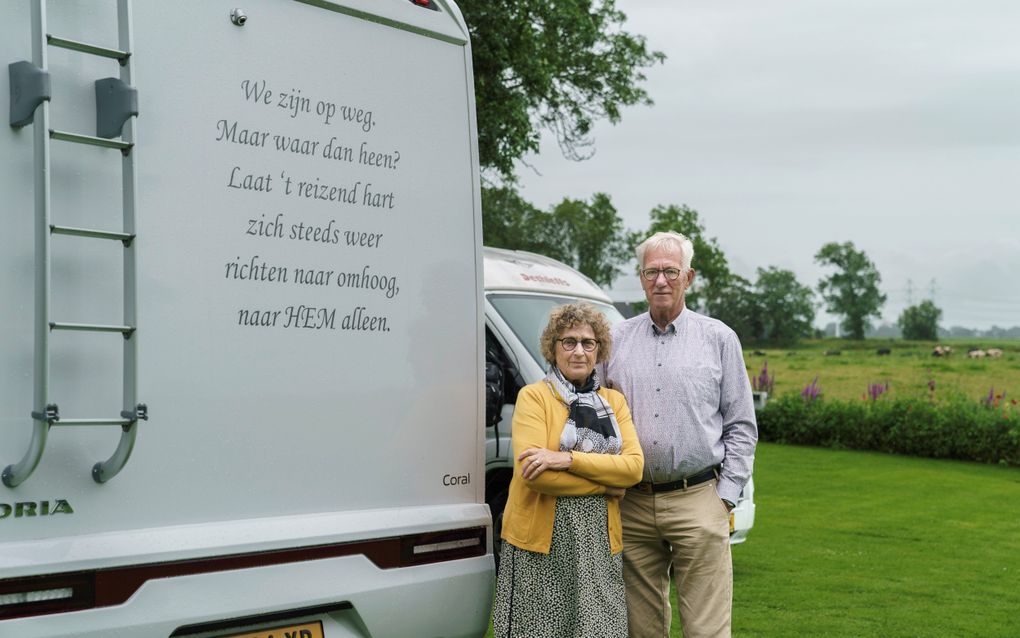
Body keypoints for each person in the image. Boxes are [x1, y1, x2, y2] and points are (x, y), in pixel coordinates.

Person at [603, 231, 758, 638]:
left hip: (699, 499)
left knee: (706, 630)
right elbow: (593, 414)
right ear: (640, 278)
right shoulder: (614, 340)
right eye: (651, 271)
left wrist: (725, 497)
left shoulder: (719, 339)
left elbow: (741, 425)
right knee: (641, 630)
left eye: (670, 271)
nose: (660, 281)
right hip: (632, 504)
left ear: (688, 277)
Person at [493, 303, 644, 638]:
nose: (579, 351)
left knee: (598, 629)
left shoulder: (614, 403)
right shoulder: (534, 398)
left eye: (588, 343)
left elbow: (633, 469)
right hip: (539, 544)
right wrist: (607, 485)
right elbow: (536, 476)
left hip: (598, 543)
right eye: (569, 341)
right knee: (539, 630)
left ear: (599, 350)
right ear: (553, 347)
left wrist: (568, 460)